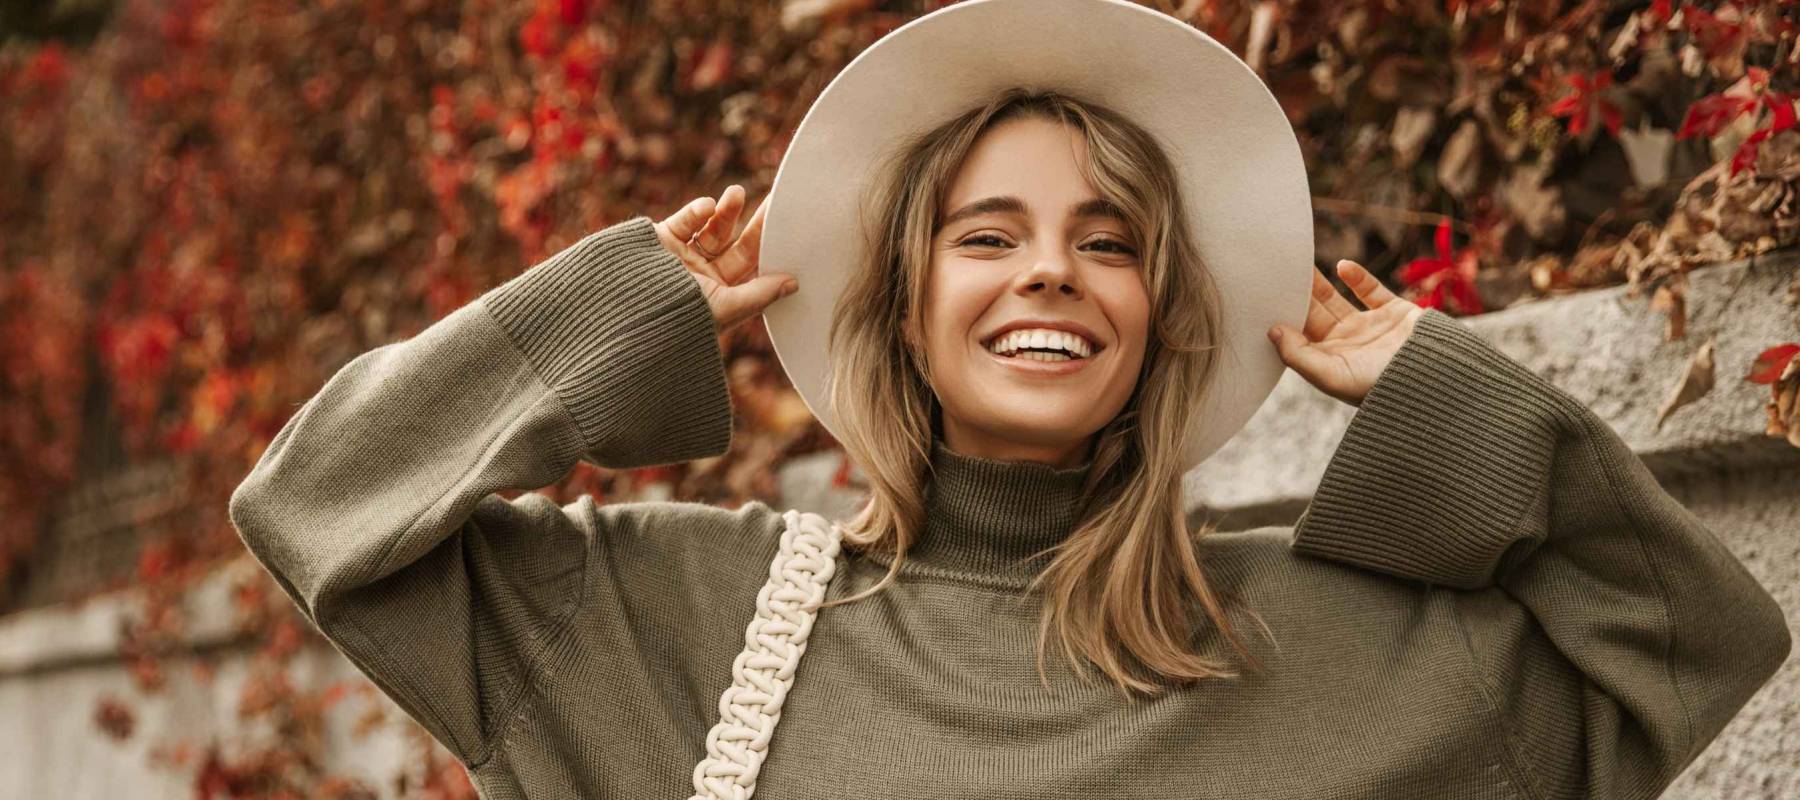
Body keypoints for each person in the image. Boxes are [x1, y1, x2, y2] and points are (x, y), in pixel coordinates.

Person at [228, 2, 1791, 799]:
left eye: (1108, 244)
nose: (1051, 270)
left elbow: (1696, 637)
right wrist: (606, 322)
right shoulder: (676, 623)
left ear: (1159, 317)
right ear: (901, 311)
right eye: (986, 237)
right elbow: (321, 510)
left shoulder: (1360, 640)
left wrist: (1461, 404)